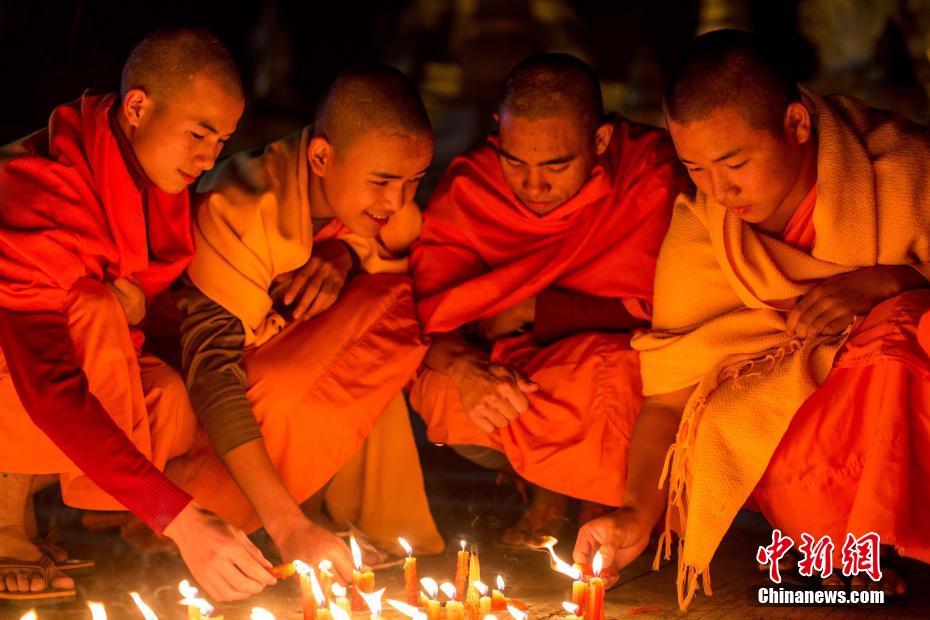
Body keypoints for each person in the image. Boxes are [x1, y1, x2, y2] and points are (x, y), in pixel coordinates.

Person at [574, 29, 930, 609]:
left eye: (734, 163)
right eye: (696, 168)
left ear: (796, 124)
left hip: (897, 388)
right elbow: (668, 399)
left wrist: (889, 282)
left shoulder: (902, 169)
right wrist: (637, 515)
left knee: (905, 330)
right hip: (802, 426)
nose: (719, 189)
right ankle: (840, 543)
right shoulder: (705, 227)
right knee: (732, 411)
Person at [0, 29, 280, 602]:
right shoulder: (43, 191)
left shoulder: (147, 174)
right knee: (92, 304)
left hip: (47, 359)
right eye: (198, 135)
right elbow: (48, 383)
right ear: (136, 106)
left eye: (221, 141)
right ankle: (4, 517)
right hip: (25, 367)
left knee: (169, 398)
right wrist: (178, 518)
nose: (208, 160)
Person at [165, 64, 444, 581]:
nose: (396, 201)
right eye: (381, 181)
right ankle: (270, 511)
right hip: (196, 427)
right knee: (383, 314)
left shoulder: (376, 212)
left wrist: (343, 254)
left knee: (394, 306)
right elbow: (212, 376)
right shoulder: (240, 208)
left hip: (254, 411)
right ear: (320, 157)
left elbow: (395, 255)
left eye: (414, 181)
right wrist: (286, 525)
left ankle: (305, 507)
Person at [409, 53, 688, 546]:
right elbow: (424, 319)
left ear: (599, 141)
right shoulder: (473, 188)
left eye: (556, 166)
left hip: (618, 362)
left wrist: (532, 311)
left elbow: (675, 307)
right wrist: (465, 370)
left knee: (620, 379)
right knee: (446, 389)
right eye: (515, 161)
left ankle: (605, 510)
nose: (533, 185)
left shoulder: (650, 174)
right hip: (514, 364)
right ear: (498, 129)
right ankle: (546, 487)